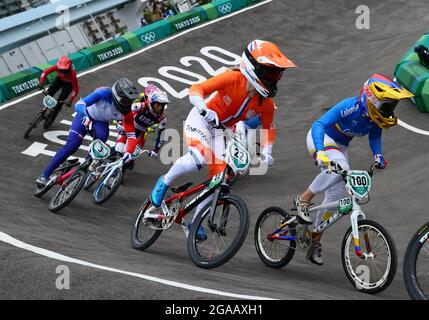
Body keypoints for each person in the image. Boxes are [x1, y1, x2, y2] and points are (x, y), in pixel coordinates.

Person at [150, 39, 296, 239]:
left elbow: (269, 128)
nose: (274, 80)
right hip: (201, 120)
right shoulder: (232, 78)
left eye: (277, 75)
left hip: (221, 130)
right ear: (255, 68)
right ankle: (163, 182)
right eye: (271, 74)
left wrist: (268, 151)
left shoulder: (266, 104)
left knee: (218, 181)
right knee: (197, 160)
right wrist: (203, 108)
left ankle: (196, 220)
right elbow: (196, 89)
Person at [293, 73, 413, 265]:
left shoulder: (374, 119)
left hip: (340, 147)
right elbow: (319, 124)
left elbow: (375, 137)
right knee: (342, 167)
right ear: (371, 100)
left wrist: (378, 155)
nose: (389, 110)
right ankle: (304, 199)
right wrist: (319, 152)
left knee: (334, 199)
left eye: (391, 106)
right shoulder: (351, 107)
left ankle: (314, 239)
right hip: (322, 140)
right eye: (387, 105)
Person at [35, 78, 140, 188]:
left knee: (101, 142)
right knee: (72, 146)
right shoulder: (103, 93)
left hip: (100, 123)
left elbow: (131, 136)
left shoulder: (127, 113)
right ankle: (44, 176)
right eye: (127, 101)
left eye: (131, 101)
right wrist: (85, 116)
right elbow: (80, 104)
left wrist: (128, 152)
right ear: (119, 97)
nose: (129, 104)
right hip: (85, 115)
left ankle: (86, 163)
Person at [114, 84, 169, 170]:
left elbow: (161, 135)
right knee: (118, 148)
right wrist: (120, 122)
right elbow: (125, 111)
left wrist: (155, 150)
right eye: (158, 105)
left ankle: (124, 168)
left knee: (132, 156)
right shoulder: (141, 105)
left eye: (162, 105)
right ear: (152, 102)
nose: (160, 108)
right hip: (129, 127)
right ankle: (108, 160)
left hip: (141, 132)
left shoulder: (162, 118)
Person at [38, 55, 79, 128]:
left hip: (69, 84)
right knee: (49, 92)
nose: (63, 73)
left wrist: (70, 100)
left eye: (65, 71)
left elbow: (76, 89)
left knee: (60, 101)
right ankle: (45, 109)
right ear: (59, 68)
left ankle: (52, 117)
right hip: (59, 80)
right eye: (61, 71)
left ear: (69, 68)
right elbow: (45, 72)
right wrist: (41, 82)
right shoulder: (57, 67)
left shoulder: (73, 73)